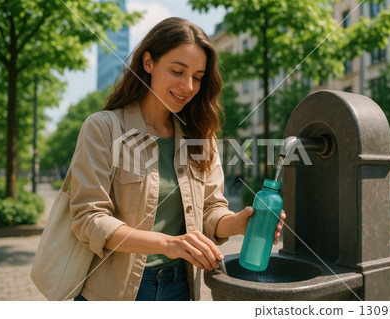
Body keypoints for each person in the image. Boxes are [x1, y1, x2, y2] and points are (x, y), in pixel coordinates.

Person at [69, 17, 285, 301]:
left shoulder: (200, 136)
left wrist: (237, 223)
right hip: (114, 292)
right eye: (177, 71)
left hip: (180, 288)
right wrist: (167, 244)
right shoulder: (103, 128)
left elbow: (209, 210)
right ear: (148, 63)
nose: (189, 86)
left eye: (197, 76)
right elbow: (89, 219)